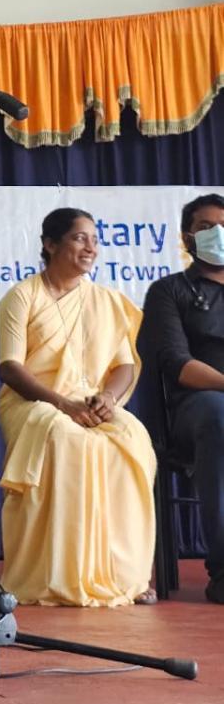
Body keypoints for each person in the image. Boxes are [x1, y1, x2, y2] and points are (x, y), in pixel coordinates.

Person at [0, 207, 157, 606]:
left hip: (90, 403)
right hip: (34, 402)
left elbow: (123, 366)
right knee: (65, 438)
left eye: (95, 240)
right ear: (50, 245)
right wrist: (62, 403)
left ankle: (124, 575)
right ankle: (54, 575)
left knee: (132, 438)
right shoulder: (22, 296)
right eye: (80, 238)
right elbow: (10, 367)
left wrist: (108, 399)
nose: (91, 248)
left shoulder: (105, 301)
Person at [140, 193, 224, 605]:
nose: (218, 233)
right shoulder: (169, 291)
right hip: (198, 407)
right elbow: (178, 364)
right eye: (206, 227)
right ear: (187, 237)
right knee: (220, 415)